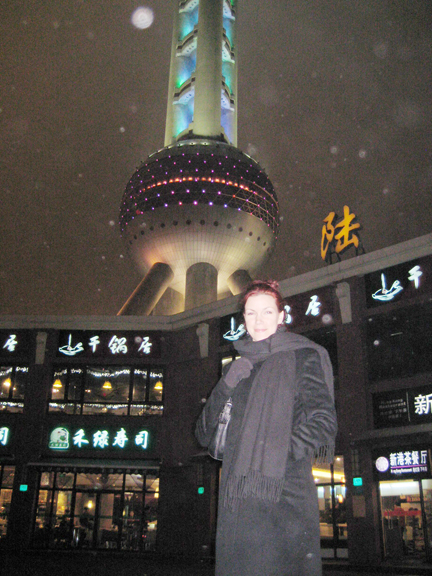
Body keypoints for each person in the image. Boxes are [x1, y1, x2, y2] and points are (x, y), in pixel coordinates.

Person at [195, 280, 338, 576]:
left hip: (283, 501)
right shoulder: (238, 367)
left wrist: (276, 451)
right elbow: (203, 434)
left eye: (267, 312)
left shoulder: (302, 357)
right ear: (243, 318)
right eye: (251, 313)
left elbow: (324, 421)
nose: (258, 321)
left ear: (281, 315)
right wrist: (225, 385)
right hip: (237, 504)